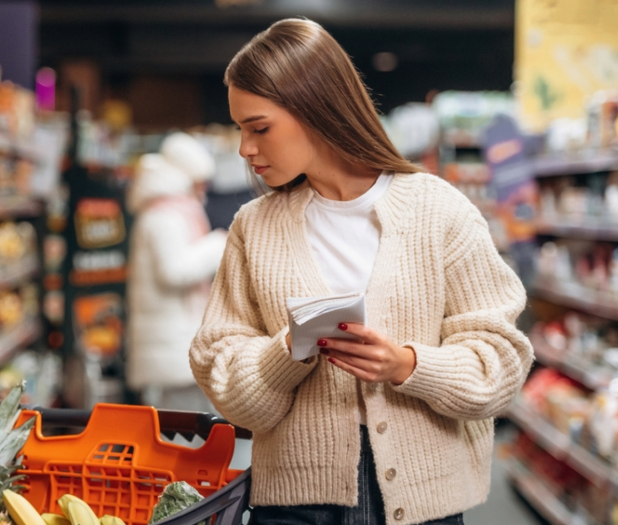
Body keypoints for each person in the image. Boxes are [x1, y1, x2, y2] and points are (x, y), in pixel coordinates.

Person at [189, 19, 533, 525]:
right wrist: (287, 352)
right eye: (241, 129)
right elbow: (223, 374)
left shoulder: (439, 211)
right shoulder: (253, 229)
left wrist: (407, 366)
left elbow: (501, 361)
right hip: (294, 508)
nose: (245, 148)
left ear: (316, 109)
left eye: (259, 128)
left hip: (426, 506)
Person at [126, 132, 228, 411]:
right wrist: (218, 243)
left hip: (172, 341)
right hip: (171, 347)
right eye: (201, 183)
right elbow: (173, 271)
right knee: (183, 436)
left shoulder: (166, 210)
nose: (204, 190)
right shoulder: (165, 216)